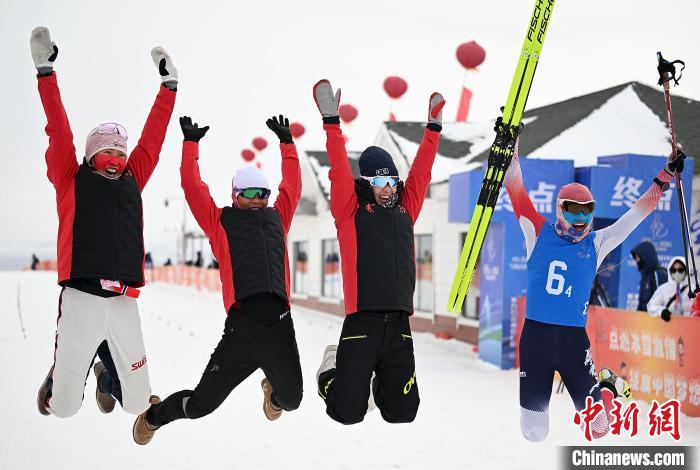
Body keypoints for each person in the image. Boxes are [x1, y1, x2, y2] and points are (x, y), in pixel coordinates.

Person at [31, 26, 178, 418]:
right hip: (81, 298)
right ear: (91, 155)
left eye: (120, 152)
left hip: (124, 300)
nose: (115, 158)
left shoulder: (134, 178)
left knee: (136, 406)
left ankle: (105, 374)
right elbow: (58, 129)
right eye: (107, 151)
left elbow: (153, 139)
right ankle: (61, 377)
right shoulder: (70, 178)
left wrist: (169, 87)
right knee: (61, 409)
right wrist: (46, 72)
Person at [132, 114, 302, 445]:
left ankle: (272, 390)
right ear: (236, 194)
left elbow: (292, 185)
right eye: (251, 192)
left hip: (280, 325)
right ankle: (153, 416)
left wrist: (287, 144)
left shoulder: (277, 217)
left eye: (263, 193)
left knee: (292, 400)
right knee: (200, 405)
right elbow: (193, 187)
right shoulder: (220, 221)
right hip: (243, 330)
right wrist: (190, 145)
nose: (258, 199)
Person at [505, 133, 685, 441]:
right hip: (535, 338)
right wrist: (512, 145)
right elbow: (515, 187)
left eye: (586, 210)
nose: (579, 218)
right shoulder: (537, 230)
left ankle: (608, 390)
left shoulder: (596, 242)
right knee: (534, 431)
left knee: (599, 427)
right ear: (559, 208)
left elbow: (636, 215)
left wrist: (666, 175)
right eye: (572, 209)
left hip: (574, 342)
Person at [313, 79, 445, 425]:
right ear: (368, 184)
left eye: (391, 182)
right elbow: (339, 169)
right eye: (380, 183)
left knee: (403, 413)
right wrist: (331, 123)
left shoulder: (406, 210)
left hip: (399, 322)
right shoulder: (350, 212)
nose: (388, 189)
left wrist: (433, 128)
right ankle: (333, 368)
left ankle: (371, 380)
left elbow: (422, 172)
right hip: (362, 321)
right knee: (347, 412)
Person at [647, 257, 692, 321]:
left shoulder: (694, 290)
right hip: (670, 328)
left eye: (680, 270)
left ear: (687, 271)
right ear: (669, 271)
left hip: (691, 328)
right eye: (673, 270)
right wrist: (661, 311)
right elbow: (651, 306)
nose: (677, 273)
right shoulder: (663, 289)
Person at [630, 241, 667, 311]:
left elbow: (662, 301)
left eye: (638, 257)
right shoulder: (645, 276)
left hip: (655, 319)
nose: (636, 260)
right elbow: (641, 302)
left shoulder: (659, 274)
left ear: (645, 256)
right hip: (644, 319)